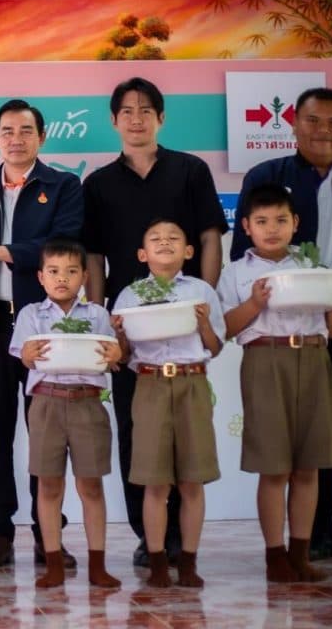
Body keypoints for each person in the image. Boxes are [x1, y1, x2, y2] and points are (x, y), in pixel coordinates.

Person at [82, 77, 227, 566]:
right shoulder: (98, 184)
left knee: (184, 440)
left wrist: (201, 303)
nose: (136, 119)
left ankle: (182, 542)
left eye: (146, 110)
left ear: (161, 118)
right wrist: (105, 324)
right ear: (114, 121)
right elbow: (95, 259)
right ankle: (149, 538)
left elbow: (209, 237)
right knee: (134, 430)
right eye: (126, 111)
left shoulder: (190, 170)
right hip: (131, 332)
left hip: (186, 331)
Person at [230, 86, 332, 560]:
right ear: (293, 125)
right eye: (314, 121)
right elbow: (244, 256)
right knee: (292, 451)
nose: (324, 131)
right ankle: (311, 539)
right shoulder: (266, 175)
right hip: (283, 330)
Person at [0, 98, 83, 568]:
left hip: (44, 326)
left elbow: (62, 247)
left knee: (46, 433)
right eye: (7, 131)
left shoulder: (64, 186)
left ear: (40, 137)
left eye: (25, 130)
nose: (16, 139)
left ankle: (50, 535)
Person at [217, 184, 332, 582]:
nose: (271, 229)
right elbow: (224, 329)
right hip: (264, 359)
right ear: (246, 226)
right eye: (261, 222)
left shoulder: (315, 269)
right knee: (273, 467)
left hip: (313, 359)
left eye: (280, 220)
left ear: (295, 223)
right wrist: (255, 303)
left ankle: (301, 553)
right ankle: (275, 555)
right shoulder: (237, 273)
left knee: (309, 466)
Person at [110, 220, 225, 588]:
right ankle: (157, 560)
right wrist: (118, 336)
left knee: (192, 480)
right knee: (154, 482)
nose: (165, 243)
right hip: (149, 383)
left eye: (174, 238)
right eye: (155, 240)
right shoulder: (130, 295)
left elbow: (215, 345)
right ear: (142, 254)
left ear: (188, 252)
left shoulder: (201, 291)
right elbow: (123, 355)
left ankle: (189, 561)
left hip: (192, 382)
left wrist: (204, 324)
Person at [8, 240, 122, 589]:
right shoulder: (30, 314)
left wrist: (115, 352)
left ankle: (97, 565)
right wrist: (28, 352)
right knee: (48, 485)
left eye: (72, 271)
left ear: (85, 277)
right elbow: (24, 357)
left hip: (88, 402)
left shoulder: (98, 316)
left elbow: (114, 357)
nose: (63, 279)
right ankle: (53, 562)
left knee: (91, 485)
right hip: (46, 403)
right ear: (41, 277)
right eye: (54, 272)